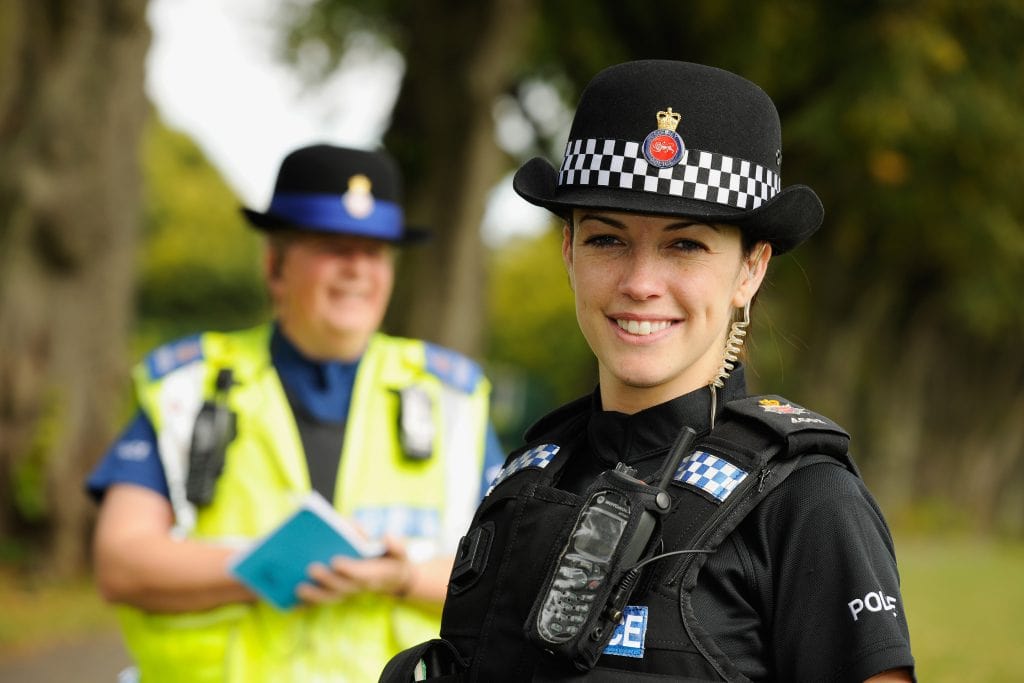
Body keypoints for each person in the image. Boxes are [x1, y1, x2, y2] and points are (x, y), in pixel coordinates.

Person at [381, 61, 915, 682]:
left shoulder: (809, 504)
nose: (639, 283)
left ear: (750, 269)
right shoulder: (523, 480)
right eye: (607, 240)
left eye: (685, 245)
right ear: (568, 252)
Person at [86, 144, 505, 682]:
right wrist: (270, 566)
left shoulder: (452, 398)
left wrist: (400, 577)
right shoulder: (188, 387)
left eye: (375, 251)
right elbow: (120, 562)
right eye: (334, 247)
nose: (357, 269)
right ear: (274, 267)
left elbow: (505, 574)